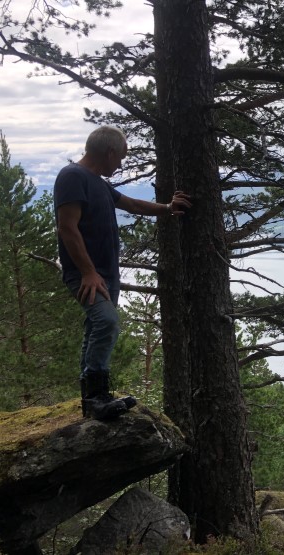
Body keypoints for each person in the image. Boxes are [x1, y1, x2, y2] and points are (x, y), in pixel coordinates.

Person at [54, 126, 191, 420]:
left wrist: (169, 207)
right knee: (106, 322)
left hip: (105, 274)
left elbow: (132, 204)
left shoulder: (97, 183)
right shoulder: (72, 177)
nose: (120, 165)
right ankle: (95, 398)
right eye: (121, 158)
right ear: (110, 152)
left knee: (95, 329)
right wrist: (89, 272)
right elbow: (67, 227)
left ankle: (90, 401)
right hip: (87, 274)